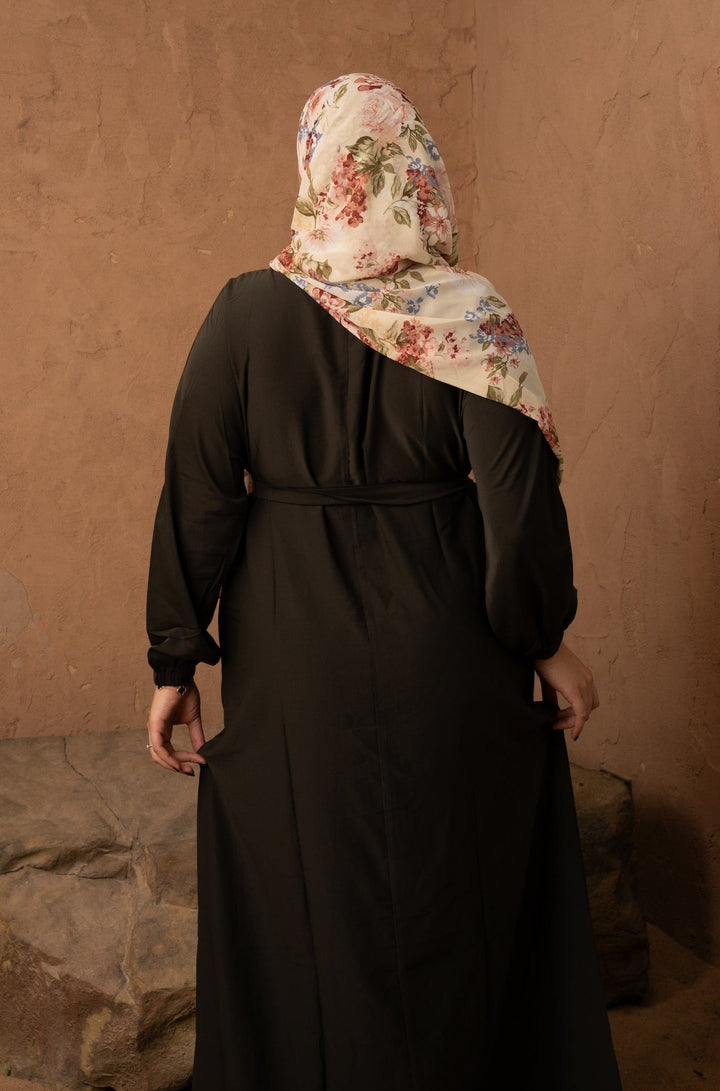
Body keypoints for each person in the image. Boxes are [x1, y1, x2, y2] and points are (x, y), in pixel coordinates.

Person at [144, 73, 623, 1090]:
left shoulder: (243, 314)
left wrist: (174, 658)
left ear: (320, 172)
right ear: (418, 175)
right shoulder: (470, 318)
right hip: (445, 656)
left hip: (292, 660)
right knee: (460, 890)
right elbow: (515, 503)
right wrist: (544, 637)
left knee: (309, 897)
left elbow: (198, 490)